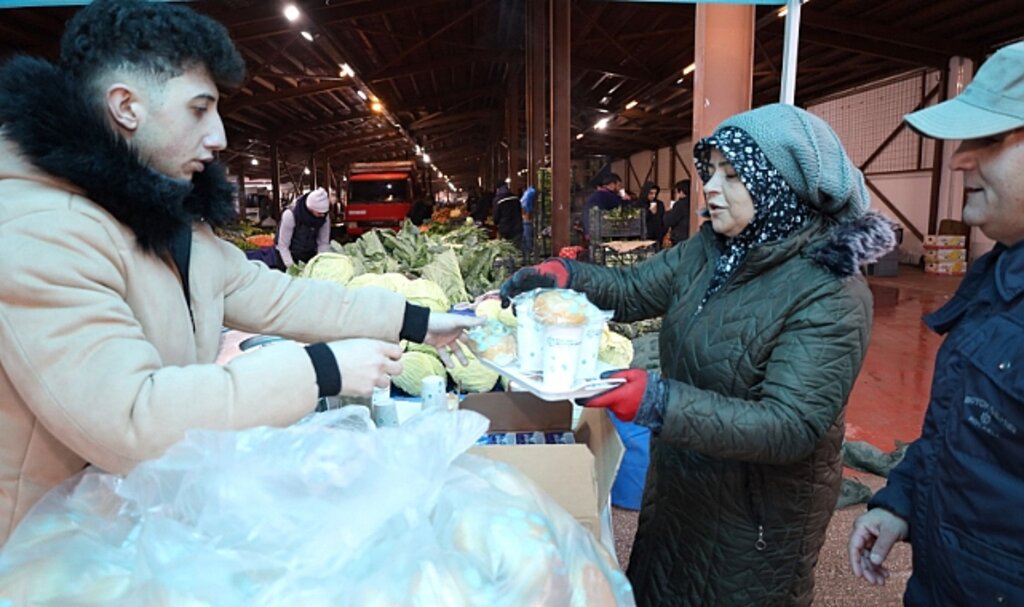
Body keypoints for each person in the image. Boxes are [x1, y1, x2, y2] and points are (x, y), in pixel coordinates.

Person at [0, 0, 478, 545]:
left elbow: (276, 297)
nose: (220, 136)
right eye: (199, 110)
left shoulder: (169, 220)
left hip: (128, 521)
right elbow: (129, 420)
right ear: (126, 106)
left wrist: (417, 321)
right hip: (41, 550)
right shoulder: (39, 230)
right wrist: (319, 370)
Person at [502, 103, 897, 606]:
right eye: (711, 172)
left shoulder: (830, 291)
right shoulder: (711, 250)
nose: (710, 187)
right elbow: (632, 290)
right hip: (682, 483)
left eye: (733, 176)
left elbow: (790, 425)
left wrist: (659, 403)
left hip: (754, 514)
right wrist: (567, 276)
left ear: (780, 186)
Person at [848, 41, 1024, 605]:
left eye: (990, 140)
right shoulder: (997, 278)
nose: (960, 159)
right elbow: (964, 437)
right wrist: (903, 498)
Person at [275, 187, 331, 270]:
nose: (322, 216)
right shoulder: (290, 215)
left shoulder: (324, 218)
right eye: (319, 213)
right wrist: (292, 268)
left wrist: (321, 263)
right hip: (288, 256)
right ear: (310, 208)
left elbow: (323, 243)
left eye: (324, 213)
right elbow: (283, 246)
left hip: (309, 255)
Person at [581, 172, 627, 239]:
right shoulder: (607, 195)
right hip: (596, 229)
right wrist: (625, 197)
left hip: (589, 227)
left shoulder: (598, 194)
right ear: (612, 185)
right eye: (618, 186)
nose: (619, 188)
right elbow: (621, 204)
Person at [662, 179, 692, 245]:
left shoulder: (680, 204)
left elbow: (670, 220)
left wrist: (668, 212)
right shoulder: (693, 202)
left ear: (681, 192)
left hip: (680, 238)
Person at [638, 181, 666, 246]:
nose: (653, 196)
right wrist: (649, 212)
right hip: (643, 237)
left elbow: (662, 219)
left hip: (657, 237)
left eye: (655, 193)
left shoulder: (659, 204)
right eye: (651, 193)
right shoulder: (639, 204)